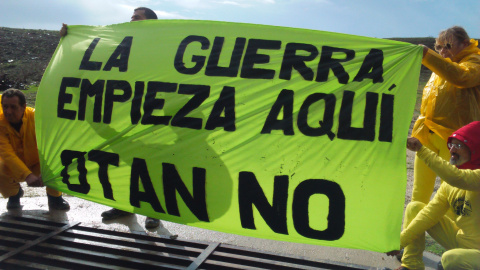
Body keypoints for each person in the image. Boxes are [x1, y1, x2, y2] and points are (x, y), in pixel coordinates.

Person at [59, 7, 161, 229]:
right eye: (132, 16)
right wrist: (71, 40)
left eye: (137, 17)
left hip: (146, 115)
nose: (131, 19)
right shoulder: (121, 42)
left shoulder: (161, 45)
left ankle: (153, 211)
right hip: (120, 115)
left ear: (150, 22)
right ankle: (124, 205)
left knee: (148, 164)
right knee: (121, 162)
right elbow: (90, 56)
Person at [388, 121, 480, 270]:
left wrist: (421, 150)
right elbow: (429, 215)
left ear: (475, 149)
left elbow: (457, 178)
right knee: (415, 208)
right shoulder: (449, 186)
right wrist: (399, 242)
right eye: (451, 145)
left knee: (450, 260)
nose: (452, 150)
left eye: (459, 146)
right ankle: (411, 266)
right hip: (462, 242)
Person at [410, 26, 480, 205]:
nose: (442, 51)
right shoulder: (439, 68)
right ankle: (412, 232)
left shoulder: (475, 62)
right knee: (419, 192)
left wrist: (427, 55)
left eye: (447, 45)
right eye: (438, 47)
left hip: (455, 139)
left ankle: (453, 233)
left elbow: (461, 77)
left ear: (465, 43)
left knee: (451, 195)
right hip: (427, 135)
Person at [0, 89, 70, 210]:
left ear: (24, 107)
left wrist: (44, 172)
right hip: (14, 166)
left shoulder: (38, 118)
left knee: (56, 163)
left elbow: (52, 146)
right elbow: (6, 154)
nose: (8, 112)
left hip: (39, 163)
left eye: (13, 107)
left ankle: (54, 198)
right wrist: (27, 175)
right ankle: (14, 195)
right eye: (5, 107)